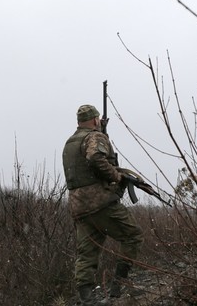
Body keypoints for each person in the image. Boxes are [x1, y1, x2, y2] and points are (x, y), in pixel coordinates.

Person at [62, 104, 143, 305]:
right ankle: (118, 285)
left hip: (79, 207)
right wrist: (116, 176)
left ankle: (86, 298)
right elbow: (95, 158)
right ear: (95, 120)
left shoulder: (70, 143)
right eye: (98, 119)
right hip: (100, 203)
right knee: (132, 236)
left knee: (87, 253)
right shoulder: (94, 137)